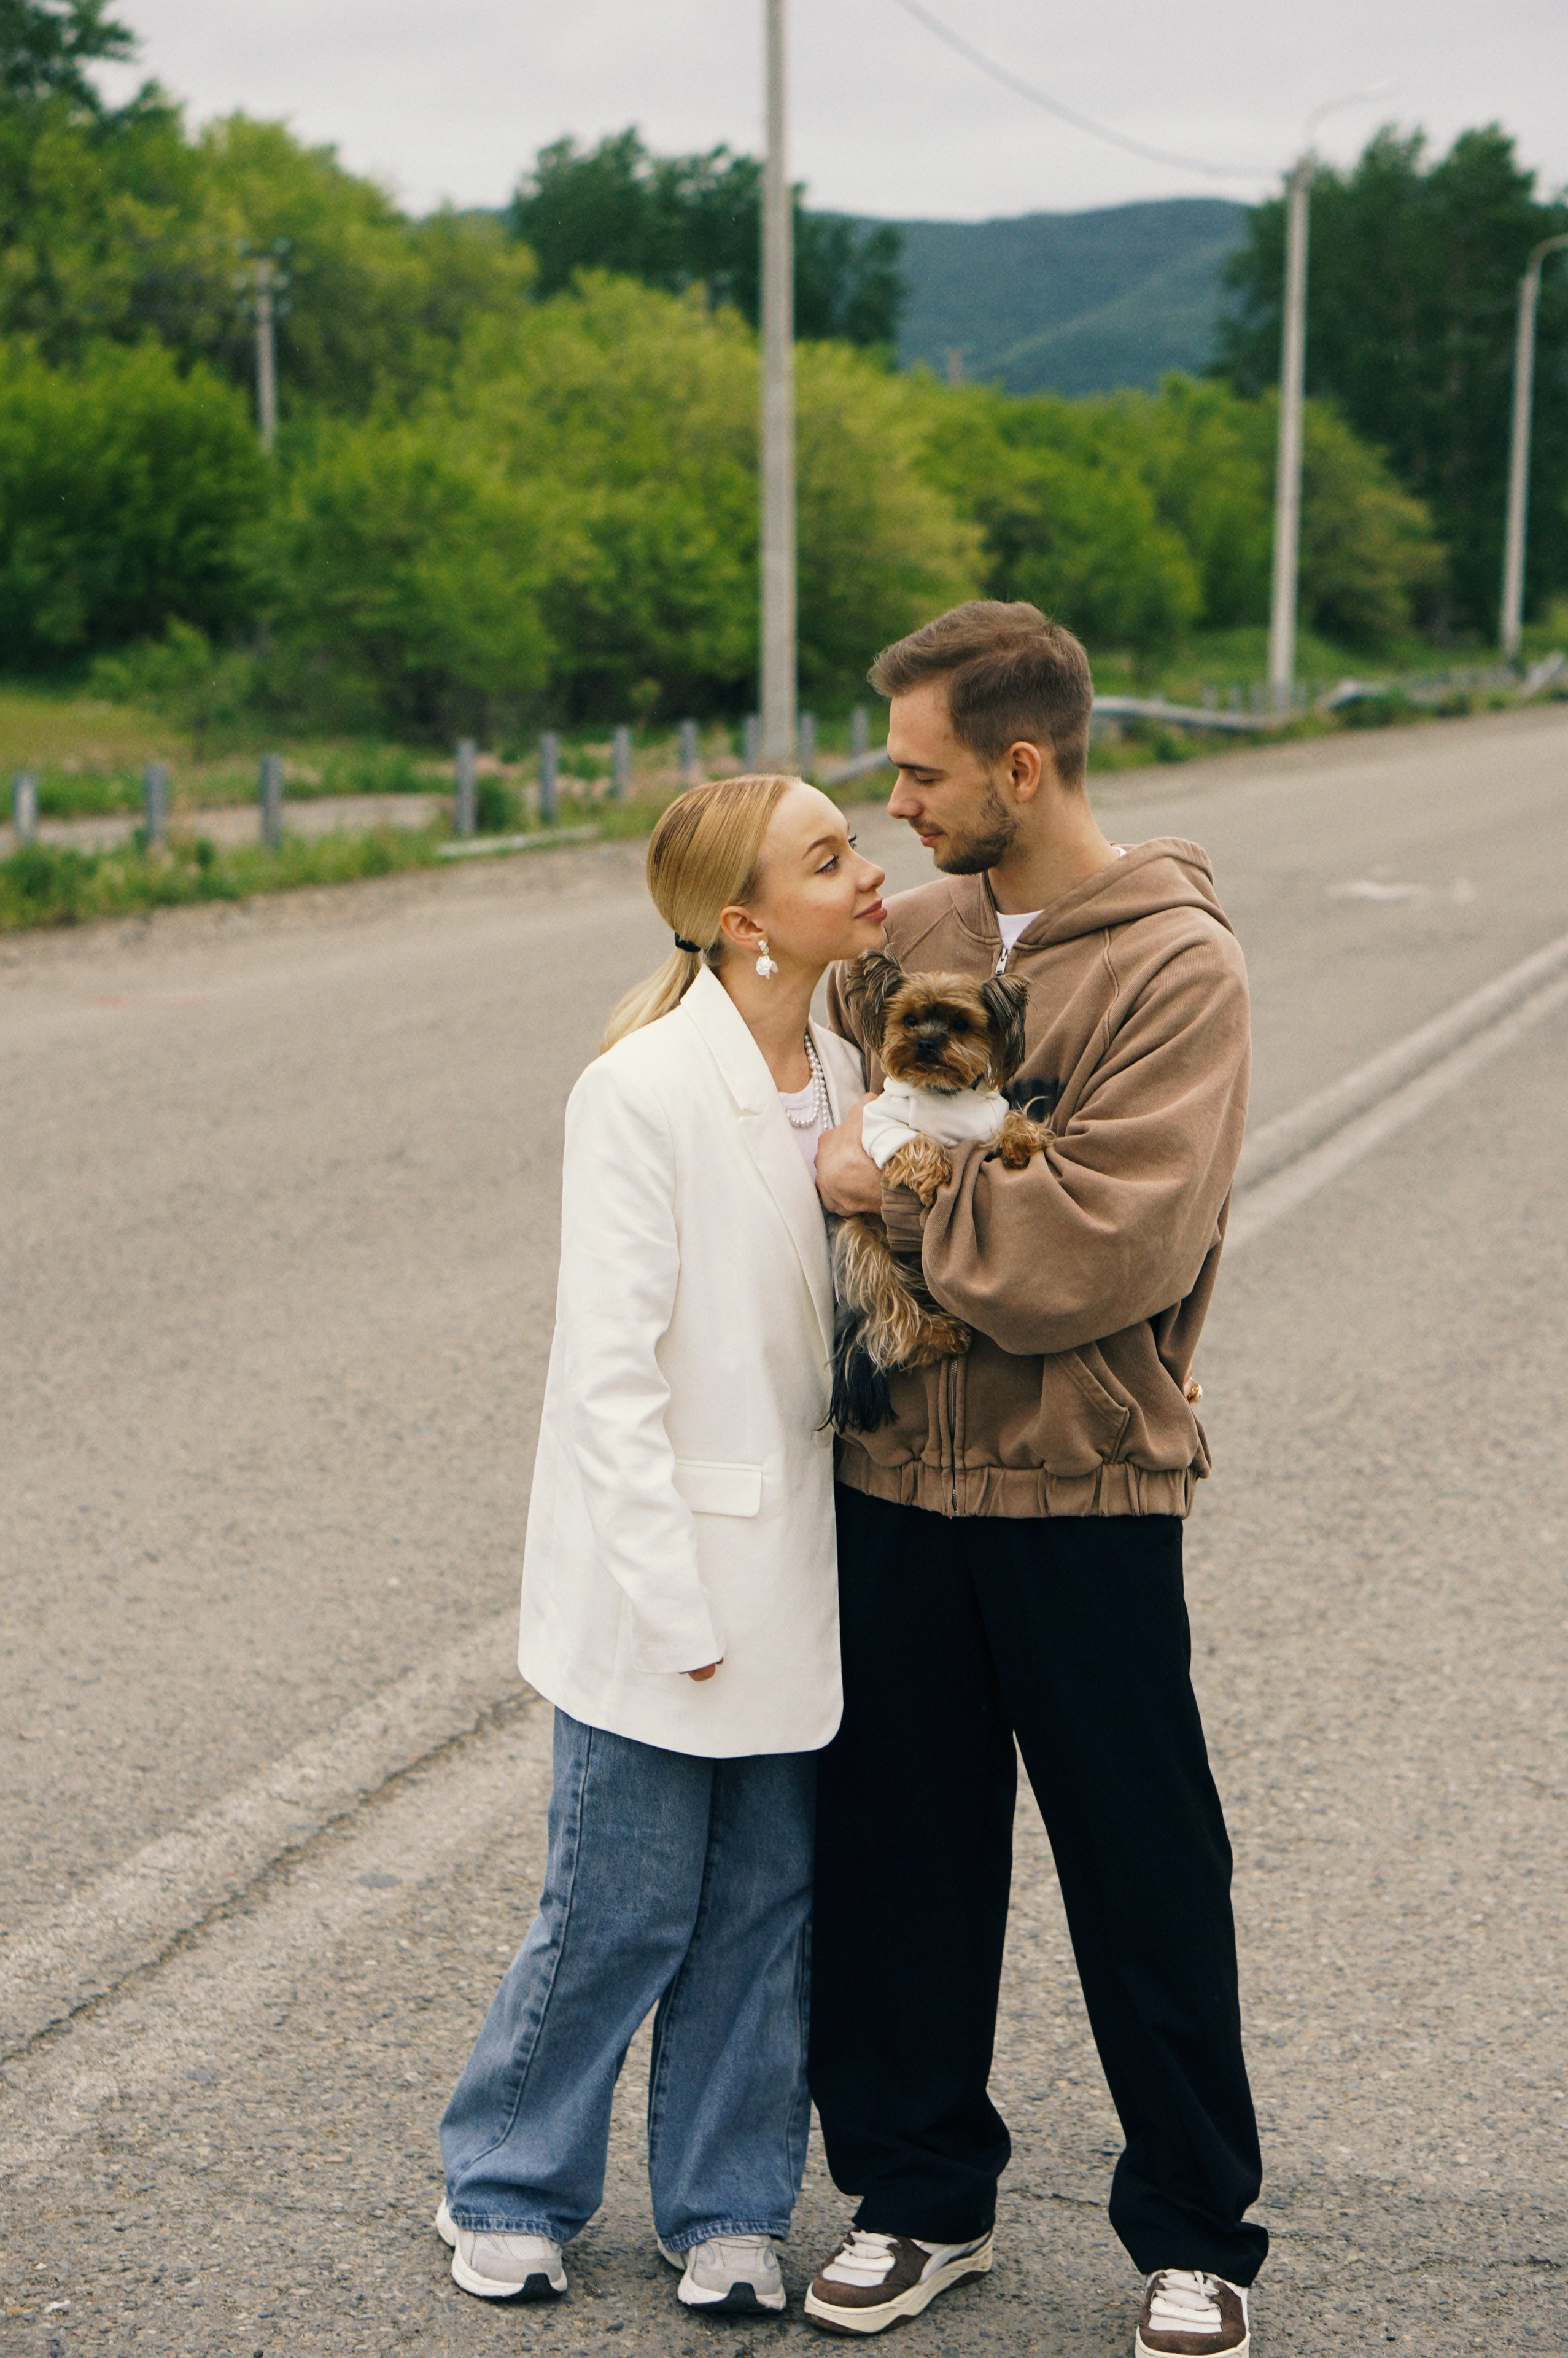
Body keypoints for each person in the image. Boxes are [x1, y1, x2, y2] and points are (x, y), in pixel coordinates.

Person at [803, 604, 1267, 2358]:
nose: (896, 805)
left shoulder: (1175, 969)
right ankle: (919, 2199)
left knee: (1142, 1867)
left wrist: (882, 1179)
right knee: (896, 1859)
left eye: (919, 774)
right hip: (893, 1476)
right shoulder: (909, 934)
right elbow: (776, 1086)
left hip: (1082, 1483)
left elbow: (1096, 1246)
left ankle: (1196, 2236)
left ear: (1020, 764)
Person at [437, 774, 885, 2318]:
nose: (865, 869)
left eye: (855, 841)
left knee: (763, 1913)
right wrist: (671, 1604)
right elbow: (605, 1379)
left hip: (806, 1574)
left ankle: (729, 2208)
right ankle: (507, 2184)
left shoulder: (847, 1072)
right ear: (746, 922)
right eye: (828, 857)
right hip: (665, 1576)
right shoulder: (637, 1089)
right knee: (618, 1908)